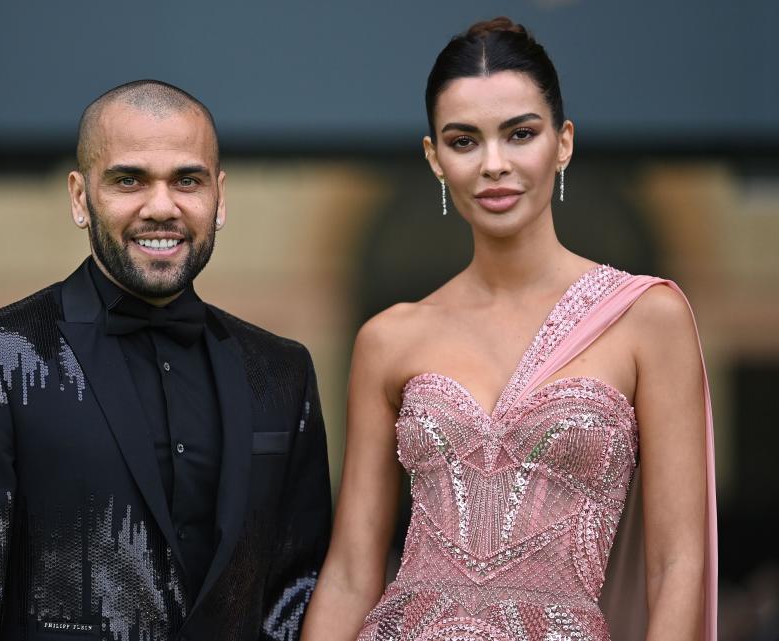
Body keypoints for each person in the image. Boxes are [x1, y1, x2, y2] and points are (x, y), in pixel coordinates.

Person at [300, 18, 716, 641]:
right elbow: (352, 571)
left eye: (520, 134)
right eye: (464, 141)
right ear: (434, 157)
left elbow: (677, 565)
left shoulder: (645, 317)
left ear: (563, 142)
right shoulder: (389, 338)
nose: (494, 164)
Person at [0, 79, 332, 641]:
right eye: (129, 179)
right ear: (81, 198)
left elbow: (296, 591)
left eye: (187, 180)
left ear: (219, 198)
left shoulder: (283, 371)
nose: (161, 207)